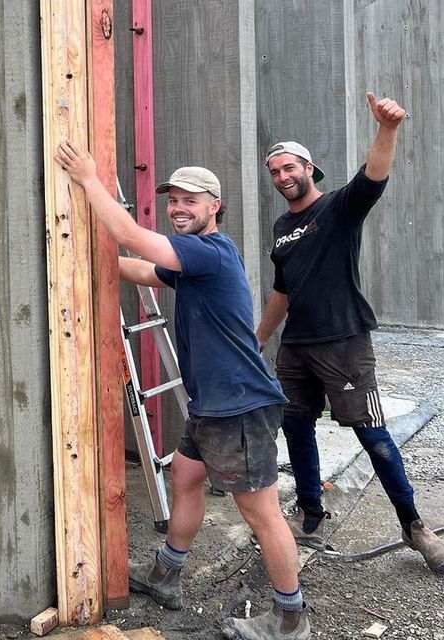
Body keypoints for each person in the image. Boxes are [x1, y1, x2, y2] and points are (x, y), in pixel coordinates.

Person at [55, 141, 310, 640]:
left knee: (261, 512)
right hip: (212, 406)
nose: (178, 208)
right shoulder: (197, 259)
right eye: (173, 200)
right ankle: (166, 574)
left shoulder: (209, 251)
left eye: (190, 200)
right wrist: (81, 258)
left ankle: (289, 617)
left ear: (214, 205)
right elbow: (144, 268)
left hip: (239, 405)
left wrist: (89, 180)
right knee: (186, 475)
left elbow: (131, 236)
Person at [256, 93, 444, 575]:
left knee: (373, 435)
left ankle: (414, 527)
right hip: (297, 348)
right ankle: (311, 511)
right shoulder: (283, 227)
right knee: (296, 428)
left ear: (310, 168)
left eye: (289, 168)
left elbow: (373, 178)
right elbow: (282, 290)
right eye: (275, 172)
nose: (283, 177)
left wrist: (386, 129)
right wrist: (260, 335)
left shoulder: (337, 209)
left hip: (345, 343)